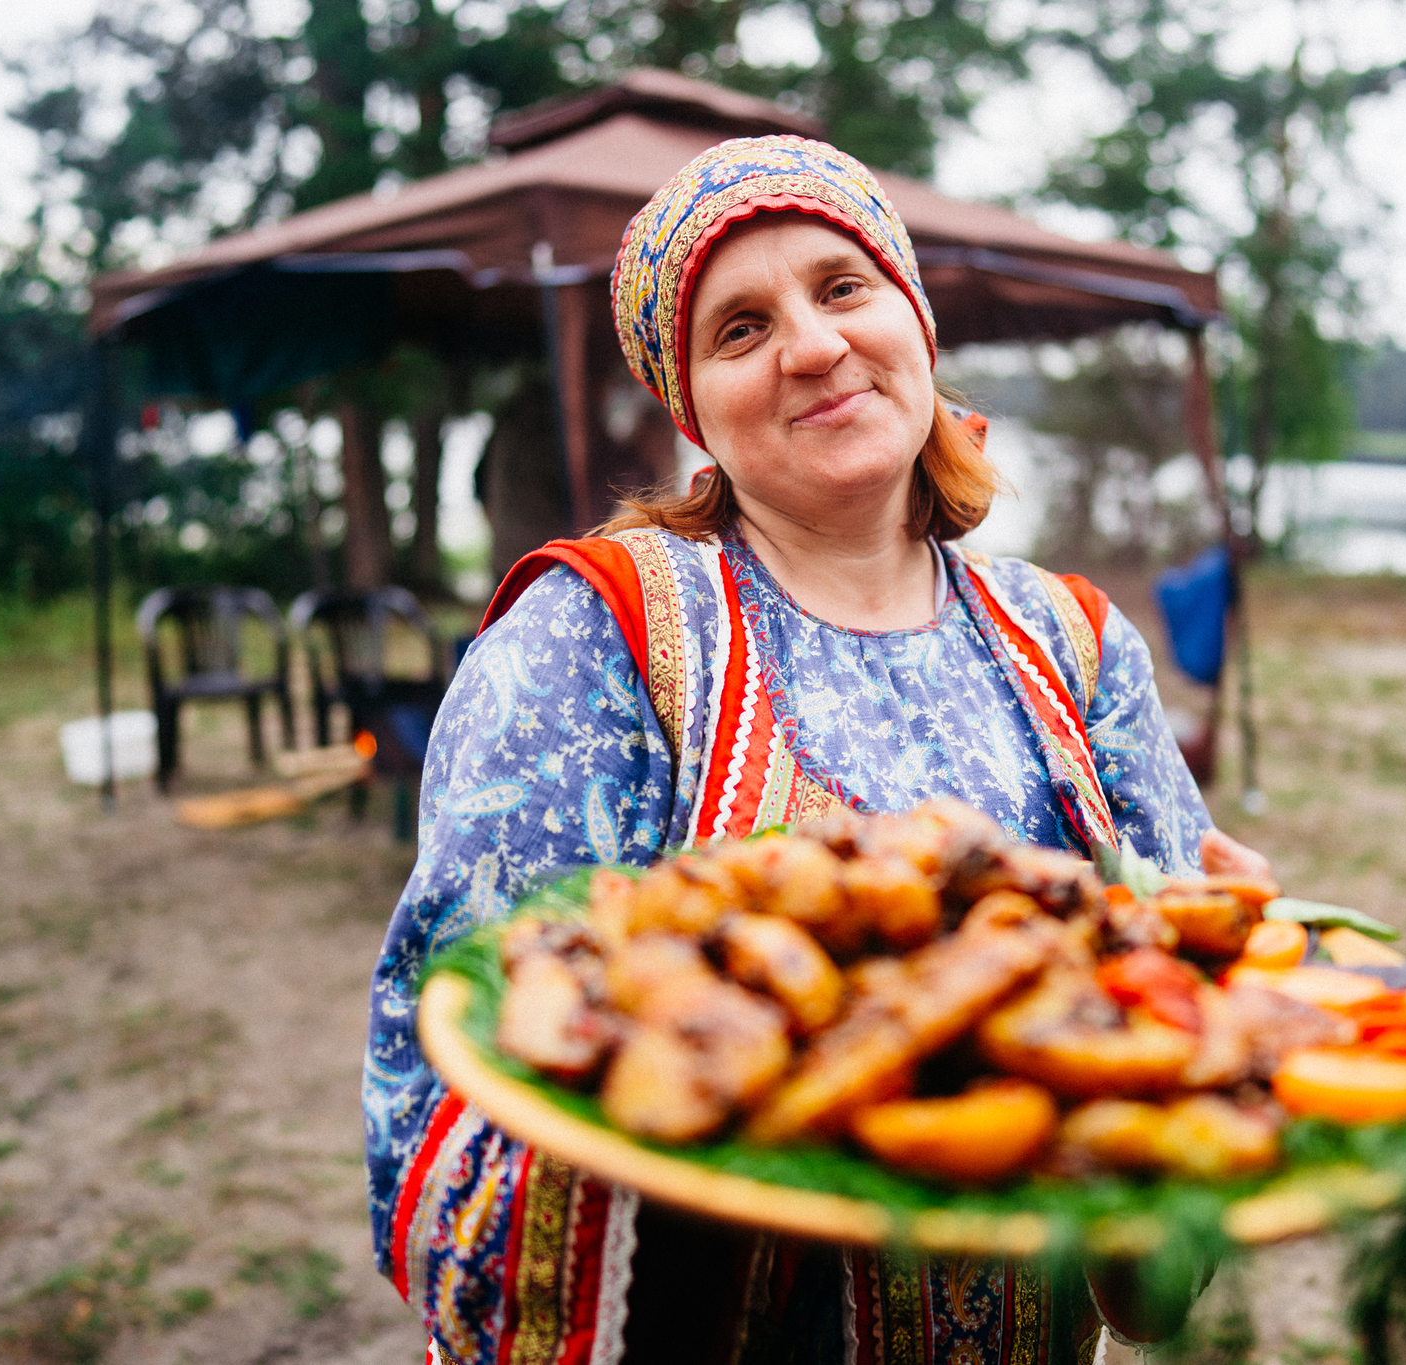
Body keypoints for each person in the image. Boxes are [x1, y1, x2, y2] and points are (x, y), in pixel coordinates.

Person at [364, 134, 1271, 1365]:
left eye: (842, 287)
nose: (810, 344)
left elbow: (1152, 1275)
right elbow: (459, 1072)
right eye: (737, 328)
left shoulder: (1078, 645)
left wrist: (1211, 1028)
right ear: (691, 410)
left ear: (913, 318)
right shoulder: (598, 633)